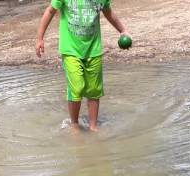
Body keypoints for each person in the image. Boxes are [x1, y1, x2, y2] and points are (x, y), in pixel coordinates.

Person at [36, 0, 130, 132]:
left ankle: (93, 126)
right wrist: (40, 38)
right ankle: (74, 124)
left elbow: (109, 13)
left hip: (93, 49)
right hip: (70, 50)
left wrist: (123, 31)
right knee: (77, 87)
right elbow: (50, 11)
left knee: (94, 90)